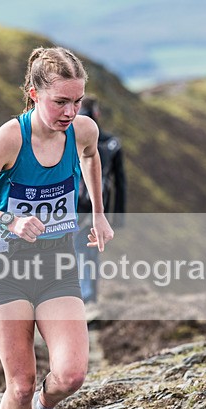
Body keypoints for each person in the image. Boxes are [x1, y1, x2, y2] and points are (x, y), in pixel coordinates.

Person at [0, 46, 113, 409]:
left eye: (76, 101)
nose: (70, 111)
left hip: (57, 262)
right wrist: (9, 220)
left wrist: (98, 214)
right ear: (33, 94)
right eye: (60, 101)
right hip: (6, 267)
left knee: (72, 375)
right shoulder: (11, 138)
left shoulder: (82, 130)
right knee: (19, 385)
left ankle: (46, 408)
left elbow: (91, 158)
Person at [75, 95, 127, 304]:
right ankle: (89, 296)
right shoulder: (112, 143)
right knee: (92, 251)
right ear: (96, 113)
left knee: (77, 249)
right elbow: (120, 183)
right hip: (99, 207)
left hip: (72, 206)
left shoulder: (70, 138)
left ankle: (84, 296)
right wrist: (118, 217)